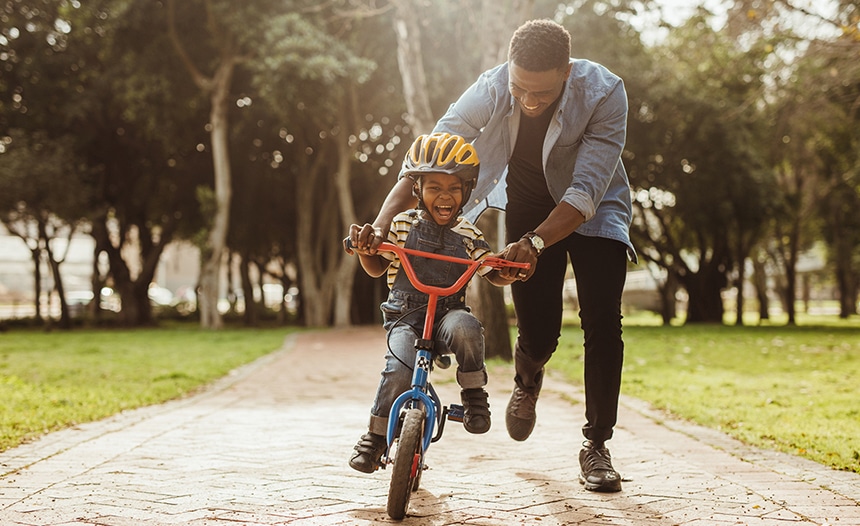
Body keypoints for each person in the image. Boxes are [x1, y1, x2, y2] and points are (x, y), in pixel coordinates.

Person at [356, 19, 635, 492]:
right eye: (520, 88)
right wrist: (381, 224)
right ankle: (528, 378)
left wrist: (537, 244)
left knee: (603, 321)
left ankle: (597, 445)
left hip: (595, 208)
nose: (528, 101)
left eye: (541, 94)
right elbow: (430, 155)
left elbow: (586, 189)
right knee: (540, 332)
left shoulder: (605, 92)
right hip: (528, 203)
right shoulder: (492, 86)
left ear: (566, 72)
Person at [345, 132, 515, 474]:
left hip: (447, 315)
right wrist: (366, 250)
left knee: (467, 329)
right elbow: (378, 266)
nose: (445, 196)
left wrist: (506, 271)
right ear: (417, 190)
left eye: (454, 188)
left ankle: (473, 395)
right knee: (399, 367)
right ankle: (376, 438)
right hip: (405, 317)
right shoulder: (401, 224)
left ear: (466, 191)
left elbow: (489, 268)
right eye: (434, 187)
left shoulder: (469, 233)